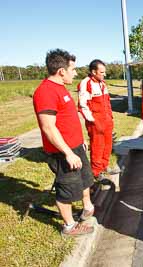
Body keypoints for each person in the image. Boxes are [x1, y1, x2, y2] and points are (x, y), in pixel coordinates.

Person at [33, 49, 95, 236]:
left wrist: (79, 140)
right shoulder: (45, 92)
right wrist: (68, 153)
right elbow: (49, 128)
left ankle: (87, 209)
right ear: (61, 71)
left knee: (85, 179)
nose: (75, 73)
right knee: (66, 189)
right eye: (73, 69)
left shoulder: (60, 88)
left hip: (75, 146)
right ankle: (69, 226)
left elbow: (67, 119)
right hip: (62, 152)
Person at [78, 59, 114, 180]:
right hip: (96, 122)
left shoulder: (103, 83)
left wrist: (110, 117)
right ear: (94, 72)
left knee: (108, 144)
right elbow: (83, 106)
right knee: (97, 146)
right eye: (102, 72)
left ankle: (104, 165)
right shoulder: (86, 83)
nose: (104, 74)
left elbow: (107, 102)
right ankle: (96, 171)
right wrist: (93, 121)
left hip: (107, 120)